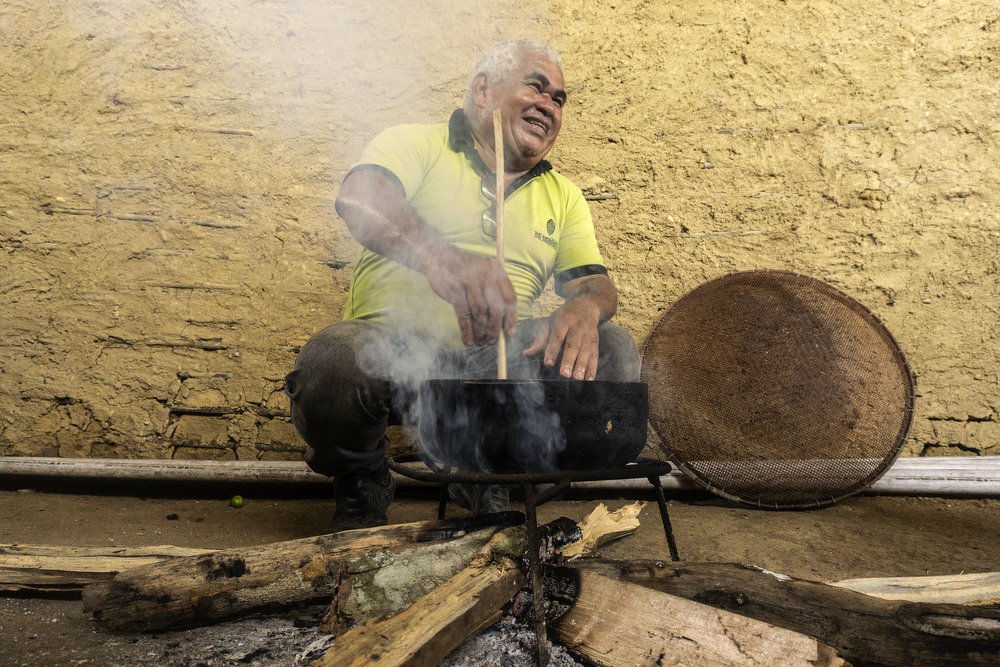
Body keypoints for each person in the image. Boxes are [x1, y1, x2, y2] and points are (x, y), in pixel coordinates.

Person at [285, 40, 641, 531]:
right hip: (394, 350)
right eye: (535, 87)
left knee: (615, 349)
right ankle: (362, 480)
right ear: (483, 90)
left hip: (499, 362)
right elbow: (360, 198)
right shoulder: (415, 143)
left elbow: (594, 282)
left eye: (559, 98)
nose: (549, 105)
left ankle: (498, 470)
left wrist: (584, 309)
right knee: (331, 360)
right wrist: (441, 258)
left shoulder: (563, 194)